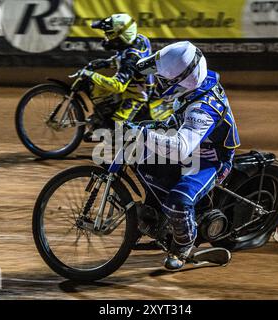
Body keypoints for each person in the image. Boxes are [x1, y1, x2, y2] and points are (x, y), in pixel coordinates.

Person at [134, 41, 241, 270]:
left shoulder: (202, 108)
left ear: (182, 80)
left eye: (163, 79)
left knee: (178, 201)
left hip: (210, 157)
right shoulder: (191, 75)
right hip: (188, 139)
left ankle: (184, 246)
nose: (158, 83)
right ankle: (158, 217)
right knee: (140, 161)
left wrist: (143, 133)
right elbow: (149, 63)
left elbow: (181, 148)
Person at [81, 13, 153, 139]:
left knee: (116, 130)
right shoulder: (138, 40)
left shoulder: (132, 57)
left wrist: (91, 75)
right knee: (99, 95)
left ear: (123, 36)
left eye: (110, 34)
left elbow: (118, 86)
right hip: (132, 85)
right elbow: (121, 59)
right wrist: (104, 63)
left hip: (136, 95)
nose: (107, 38)